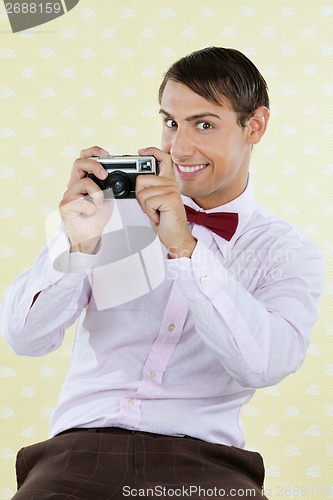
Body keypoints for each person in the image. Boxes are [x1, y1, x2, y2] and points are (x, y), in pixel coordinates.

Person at [1, 47, 324, 499]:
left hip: (208, 462)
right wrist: (77, 242)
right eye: (172, 122)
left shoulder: (288, 252)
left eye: (204, 124)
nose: (179, 147)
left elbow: (265, 364)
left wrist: (184, 250)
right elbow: (24, 337)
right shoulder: (109, 213)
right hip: (79, 452)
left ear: (255, 126)